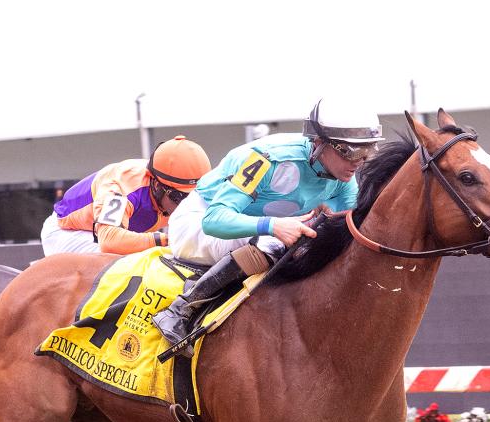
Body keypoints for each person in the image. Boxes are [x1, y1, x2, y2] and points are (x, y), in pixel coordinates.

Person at [152, 98, 384, 354]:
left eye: (368, 152)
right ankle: (181, 310)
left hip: (247, 233)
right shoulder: (268, 159)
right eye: (350, 151)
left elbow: (353, 232)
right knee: (278, 241)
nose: (358, 162)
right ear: (319, 143)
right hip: (197, 224)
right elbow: (214, 220)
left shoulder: (343, 178)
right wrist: (273, 226)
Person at [40, 135, 211, 256]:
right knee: (134, 260)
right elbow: (109, 241)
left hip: (112, 235)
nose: (186, 205)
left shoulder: (185, 190)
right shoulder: (121, 187)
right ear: (157, 185)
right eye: (179, 197)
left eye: (193, 196)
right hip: (70, 233)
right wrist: (170, 239)